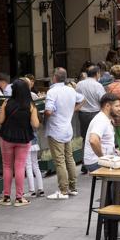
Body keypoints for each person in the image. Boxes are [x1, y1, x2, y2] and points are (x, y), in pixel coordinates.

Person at [0, 79, 40, 206]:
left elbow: (0, 120)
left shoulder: (7, 102)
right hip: (24, 138)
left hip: (6, 137)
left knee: (7, 166)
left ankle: (6, 197)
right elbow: (35, 124)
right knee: (20, 166)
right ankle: (19, 198)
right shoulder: (30, 105)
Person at [44, 67, 85, 200]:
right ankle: (73, 188)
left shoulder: (52, 92)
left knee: (60, 161)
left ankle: (63, 190)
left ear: (54, 77)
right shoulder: (70, 90)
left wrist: (43, 116)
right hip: (67, 129)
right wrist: (73, 110)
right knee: (69, 158)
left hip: (56, 130)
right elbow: (83, 99)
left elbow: (49, 111)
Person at [75, 66, 106, 171]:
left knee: (85, 138)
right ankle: (97, 160)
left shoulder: (79, 84)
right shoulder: (98, 86)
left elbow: (77, 98)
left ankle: (85, 163)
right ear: (97, 73)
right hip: (95, 113)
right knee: (97, 138)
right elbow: (103, 100)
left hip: (83, 114)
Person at [84, 93, 120, 173]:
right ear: (107, 106)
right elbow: (93, 140)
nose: (119, 108)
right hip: (95, 162)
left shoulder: (105, 118)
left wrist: (114, 151)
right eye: (117, 106)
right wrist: (103, 157)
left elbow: (104, 142)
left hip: (98, 160)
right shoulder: (101, 120)